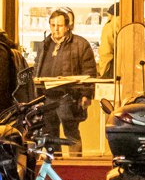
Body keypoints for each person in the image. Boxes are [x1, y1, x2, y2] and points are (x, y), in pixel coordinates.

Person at [33, 9, 98, 153]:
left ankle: (75, 169)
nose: (55, 29)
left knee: (71, 134)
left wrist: (86, 94)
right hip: (47, 97)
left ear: (68, 26)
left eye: (59, 25)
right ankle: (54, 168)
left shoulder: (80, 44)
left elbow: (89, 71)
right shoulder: (45, 44)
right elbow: (37, 68)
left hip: (68, 97)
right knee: (49, 136)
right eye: (53, 25)